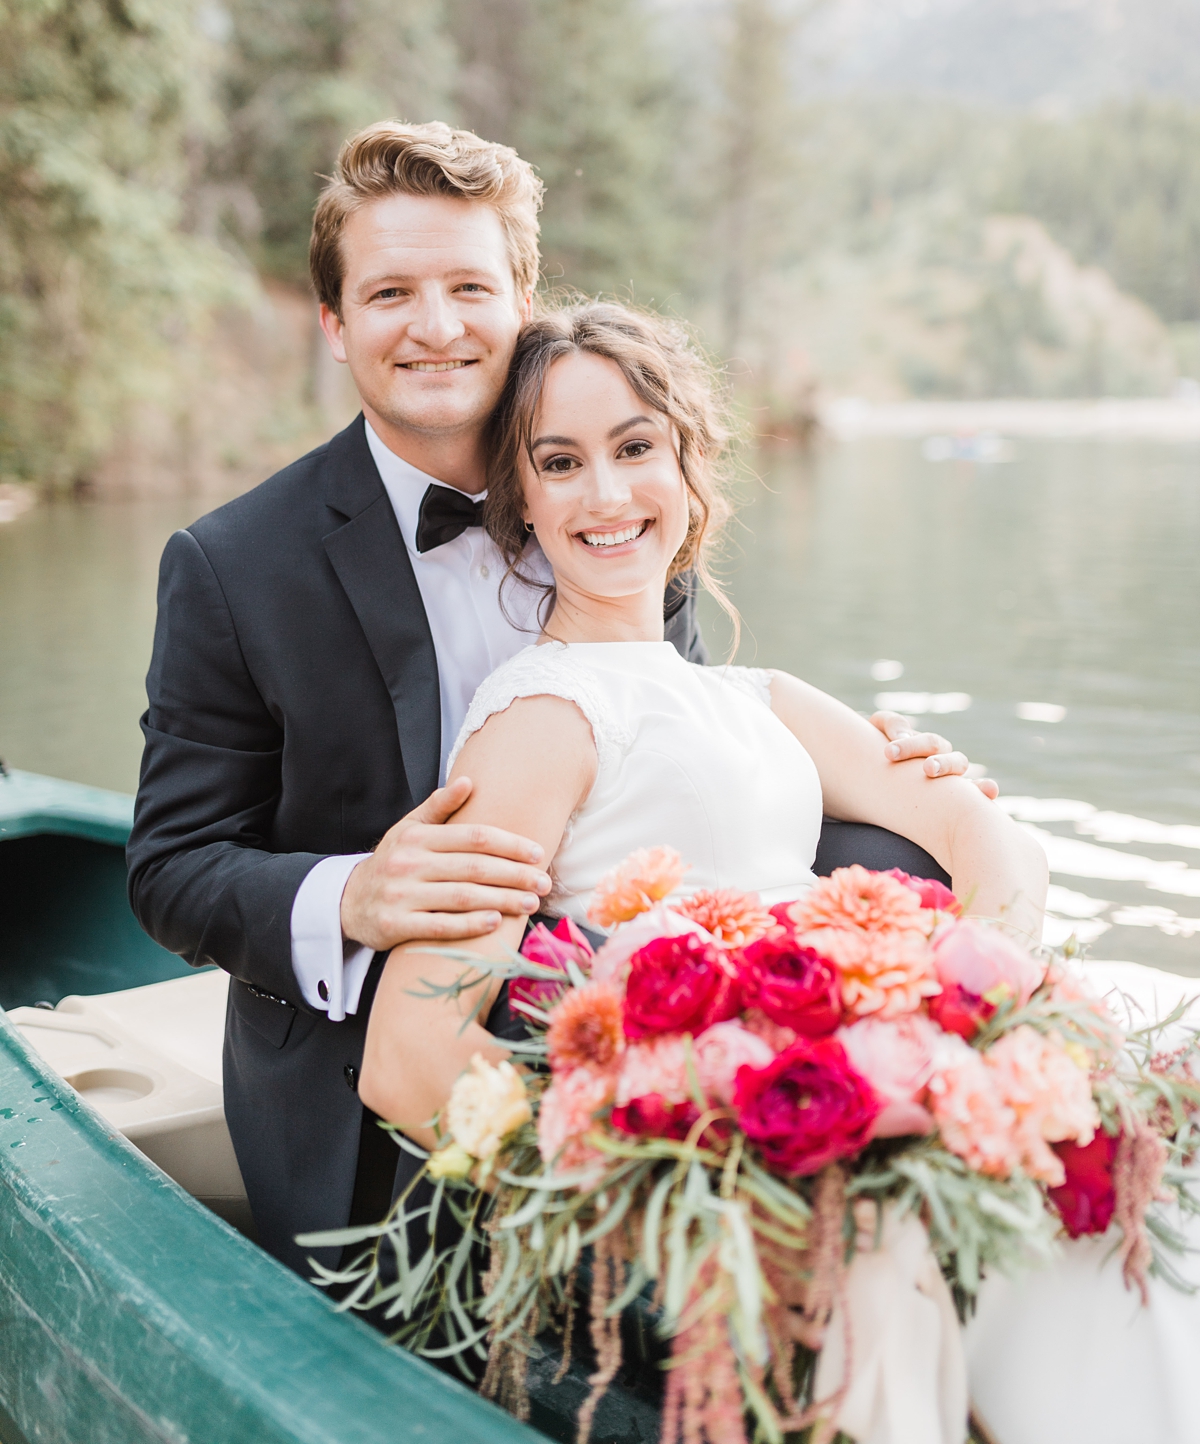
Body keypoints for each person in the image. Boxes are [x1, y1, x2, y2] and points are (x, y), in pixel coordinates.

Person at [127, 122, 988, 1273]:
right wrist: (354, 896)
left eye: (469, 286)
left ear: (523, 295)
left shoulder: (615, 509)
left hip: (653, 1034)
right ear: (334, 324)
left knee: (892, 848)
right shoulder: (235, 565)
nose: (436, 327)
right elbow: (172, 865)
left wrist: (884, 772)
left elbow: (664, 763)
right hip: (367, 1109)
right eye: (390, 293)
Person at [359, 300, 1047, 1144]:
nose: (607, 493)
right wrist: (659, 1187)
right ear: (522, 501)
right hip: (713, 1162)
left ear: (690, 464)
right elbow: (408, 1057)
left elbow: (994, 840)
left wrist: (976, 1040)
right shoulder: (539, 717)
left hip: (867, 1107)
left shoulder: (765, 698)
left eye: (636, 447)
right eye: (562, 462)